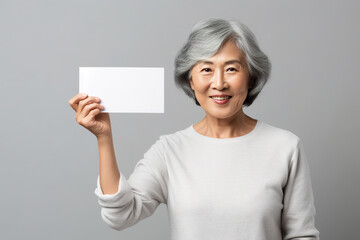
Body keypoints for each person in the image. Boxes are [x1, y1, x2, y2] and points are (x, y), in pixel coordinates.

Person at [69, 18, 320, 240]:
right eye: (206, 69)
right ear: (191, 80)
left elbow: (302, 235)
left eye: (232, 69)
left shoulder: (285, 147)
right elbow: (121, 215)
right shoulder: (170, 151)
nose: (219, 83)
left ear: (251, 77)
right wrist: (104, 138)